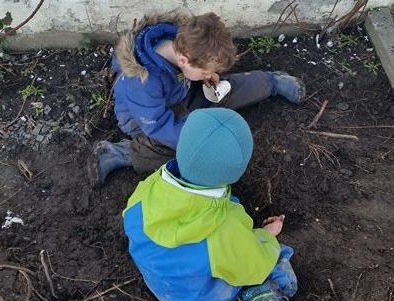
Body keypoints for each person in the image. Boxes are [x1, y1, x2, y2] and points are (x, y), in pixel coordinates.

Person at [122, 108, 321, 301]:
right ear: (237, 171)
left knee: (225, 254)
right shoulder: (225, 227)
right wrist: (267, 236)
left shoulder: (147, 190)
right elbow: (254, 266)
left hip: (160, 282)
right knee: (275, 257)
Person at [88, 11, 306, 187]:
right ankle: (118, 154)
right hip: (148, 122)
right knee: (180, 154)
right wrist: (198, 138)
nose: (208, 75)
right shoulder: (143, 82)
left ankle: (272, 82)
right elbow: (160, 126)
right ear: (184, 59)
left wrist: (205, 77)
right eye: (204, 72)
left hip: (180, 96)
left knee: (222, 88)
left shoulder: (183, 44)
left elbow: (192, 74)